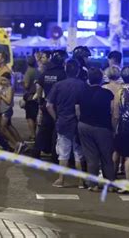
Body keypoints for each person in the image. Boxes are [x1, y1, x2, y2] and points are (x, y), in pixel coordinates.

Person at [46, 59, 86, 188]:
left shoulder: (58, 85)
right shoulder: (83, 85)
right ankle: (81, 181)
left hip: (63, 122)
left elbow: (49, 105)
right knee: (78, 152)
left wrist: (56, 118)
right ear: (78, 71)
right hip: (78, 122)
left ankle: (61, 179)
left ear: (65, 70)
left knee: (63, 152)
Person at [76, 67, 115, 191]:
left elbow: (77, 110)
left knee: (91, 157)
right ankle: (109, 184)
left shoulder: (82, 92)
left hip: (84, 125)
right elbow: (113, 112)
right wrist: (114, 128)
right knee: (106, 157)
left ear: (88, 79)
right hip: (103, 127)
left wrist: (81, 120)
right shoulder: (108, 94)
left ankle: (92, 184)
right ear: (101, 79)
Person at [32, 50, 67, 160]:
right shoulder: (63, 74)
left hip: (47, 104)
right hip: (58, 107)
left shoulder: (46, 73)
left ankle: (35, 152)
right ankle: (54, 156)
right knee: (56, 133)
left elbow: (38, 86)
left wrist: (40, 101)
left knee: (43, 130)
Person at [22, 55, 39, 140]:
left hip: (30, 96)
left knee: (29, 117)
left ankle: (33, 135)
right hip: (37, 96)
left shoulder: (28, 72)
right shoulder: (37, 71)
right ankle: (34, 134)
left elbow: (26, 85)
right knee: (34, 116)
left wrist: (22, 83)